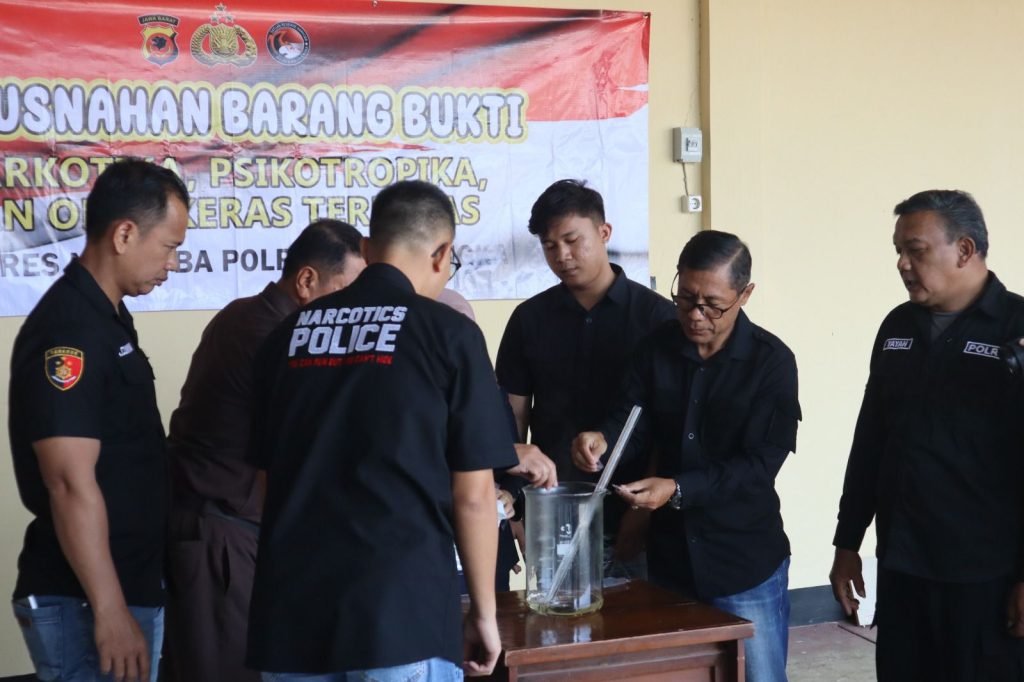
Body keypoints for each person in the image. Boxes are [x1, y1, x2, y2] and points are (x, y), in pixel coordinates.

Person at [246, 180, 518, 680]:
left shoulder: (285, 336)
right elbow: (475, 496)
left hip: (292, 619)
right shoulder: (449, 335)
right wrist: (483, 611)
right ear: (442, 254)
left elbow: (268, 482)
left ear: (367, 249)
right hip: (401, 617)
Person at [573, 230, 800, 682]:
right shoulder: (655, 348)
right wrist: (602, 438)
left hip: (743, 562)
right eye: (685, 298)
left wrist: (678, 488)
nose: (695, 314)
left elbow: (760, 466)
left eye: (712, 304)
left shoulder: (772, 363)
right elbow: (630, 420)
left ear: (745, 295)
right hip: (671, 560)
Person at [829, 190, 1024, 681]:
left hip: (985, 576)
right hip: (903, 563)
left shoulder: (1015, 328)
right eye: (898, 251)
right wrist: (847, 541)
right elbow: (870, 441)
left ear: (964, 250)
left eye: (915, 251)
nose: (902, 264)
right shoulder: (899, 326)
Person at [8, 158, 189, 682]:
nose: (173, 263)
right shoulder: (70, 331)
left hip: (124, 585)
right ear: (125, 234)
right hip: (87, 601)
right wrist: (110, 611)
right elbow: (68, 482)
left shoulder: (107, 317)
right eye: (169, 246)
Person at [163, 219, 366, 682]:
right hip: (221, 534)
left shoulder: (255, 318)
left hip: (236, 530)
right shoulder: (270, 335)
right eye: (348, 292)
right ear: (307, 280)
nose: (355, 309)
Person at [495, 179, 675, 577]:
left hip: (636, 509)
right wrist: (517, 508)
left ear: (604, 232)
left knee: (640, 616)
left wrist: (642, 516)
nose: (562, 255)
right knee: (557, 614)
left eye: (572, 241)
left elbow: (670, 425)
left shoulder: (657, 318)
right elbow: (512, 418)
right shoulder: (529, 320)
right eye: (549, 246)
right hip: (553, 509)